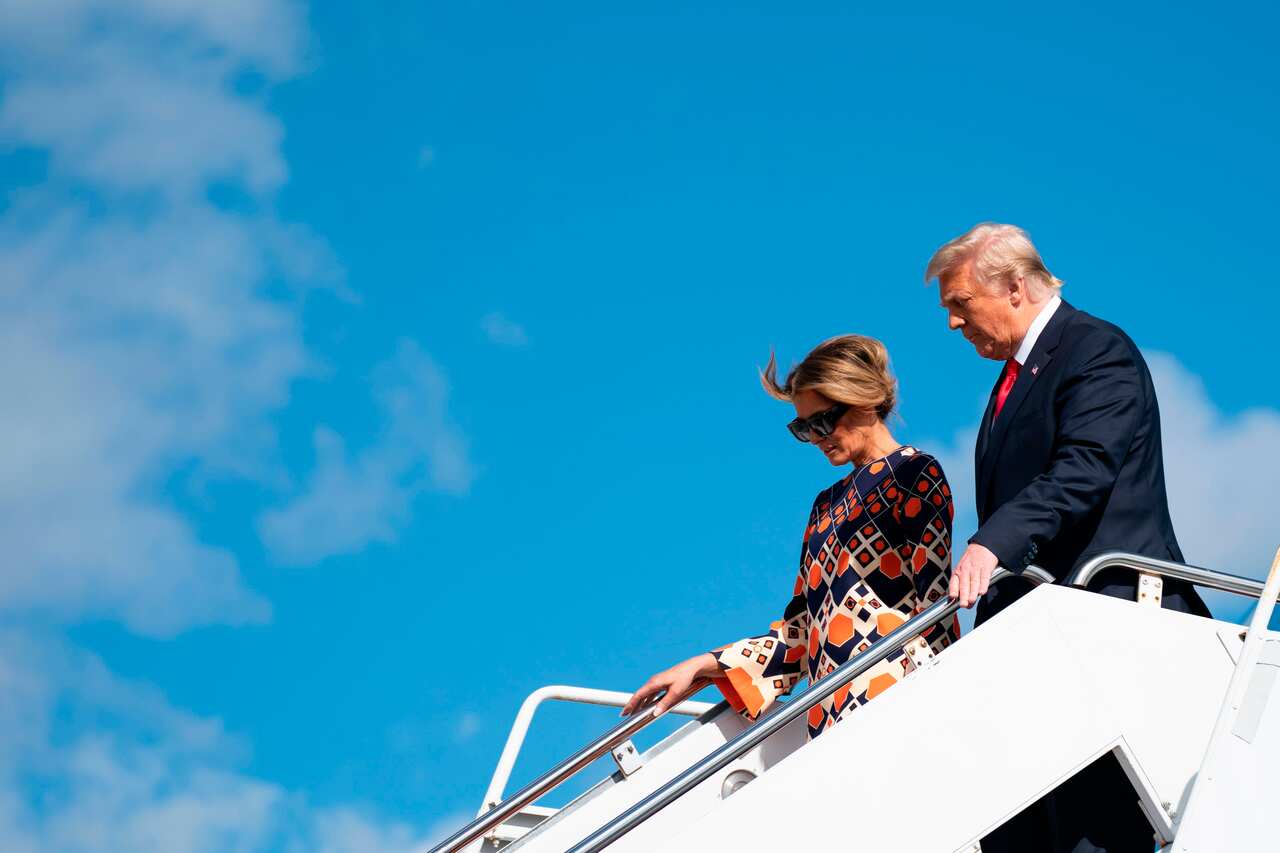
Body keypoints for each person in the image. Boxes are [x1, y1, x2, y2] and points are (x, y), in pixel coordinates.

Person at [925, 222, 1210, 852]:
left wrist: (991, 543)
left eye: (960, 305)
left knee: (1095, 828)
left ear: (1016, 288)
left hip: (1102, 621)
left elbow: (1085, 467)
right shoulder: (1012, 380)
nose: (952, 323)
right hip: (1034, 639)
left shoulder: (1094, 349)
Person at [622, 335, 958, 741]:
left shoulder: (914, 473)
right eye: (802, 427)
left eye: (821, 422)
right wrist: (704, 665)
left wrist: (940, 704)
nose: (815, 437)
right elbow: (800, 631)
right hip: (831, 714)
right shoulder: (825, 506)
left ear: (864, 400)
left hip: (897, 701)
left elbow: (937, 604)